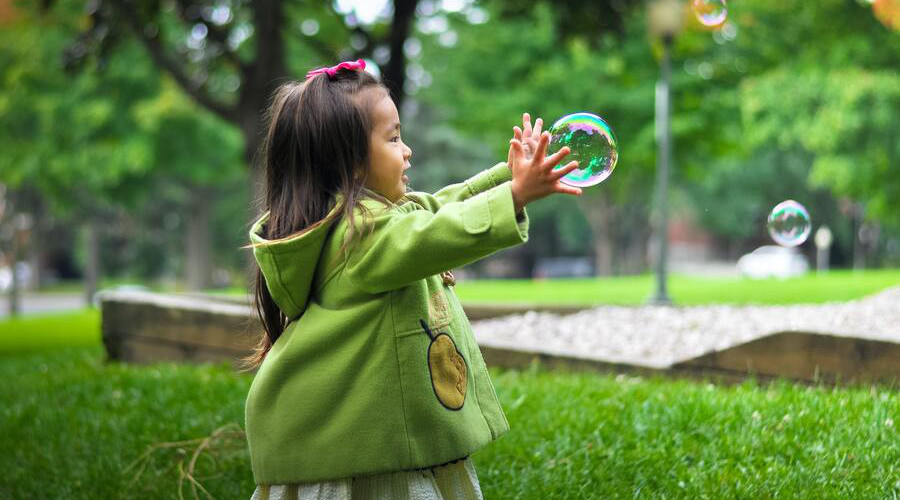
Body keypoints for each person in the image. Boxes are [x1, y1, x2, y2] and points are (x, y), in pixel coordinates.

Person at [241, 59, 581, 500]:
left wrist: (507, 178)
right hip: (368, 457)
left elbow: (437, 207)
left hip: (374, 440)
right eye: (394, 137)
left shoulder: (370, 220)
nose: (407, 151)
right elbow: (437, 232)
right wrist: (515, 195)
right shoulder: (359, 237)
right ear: (352, 163)